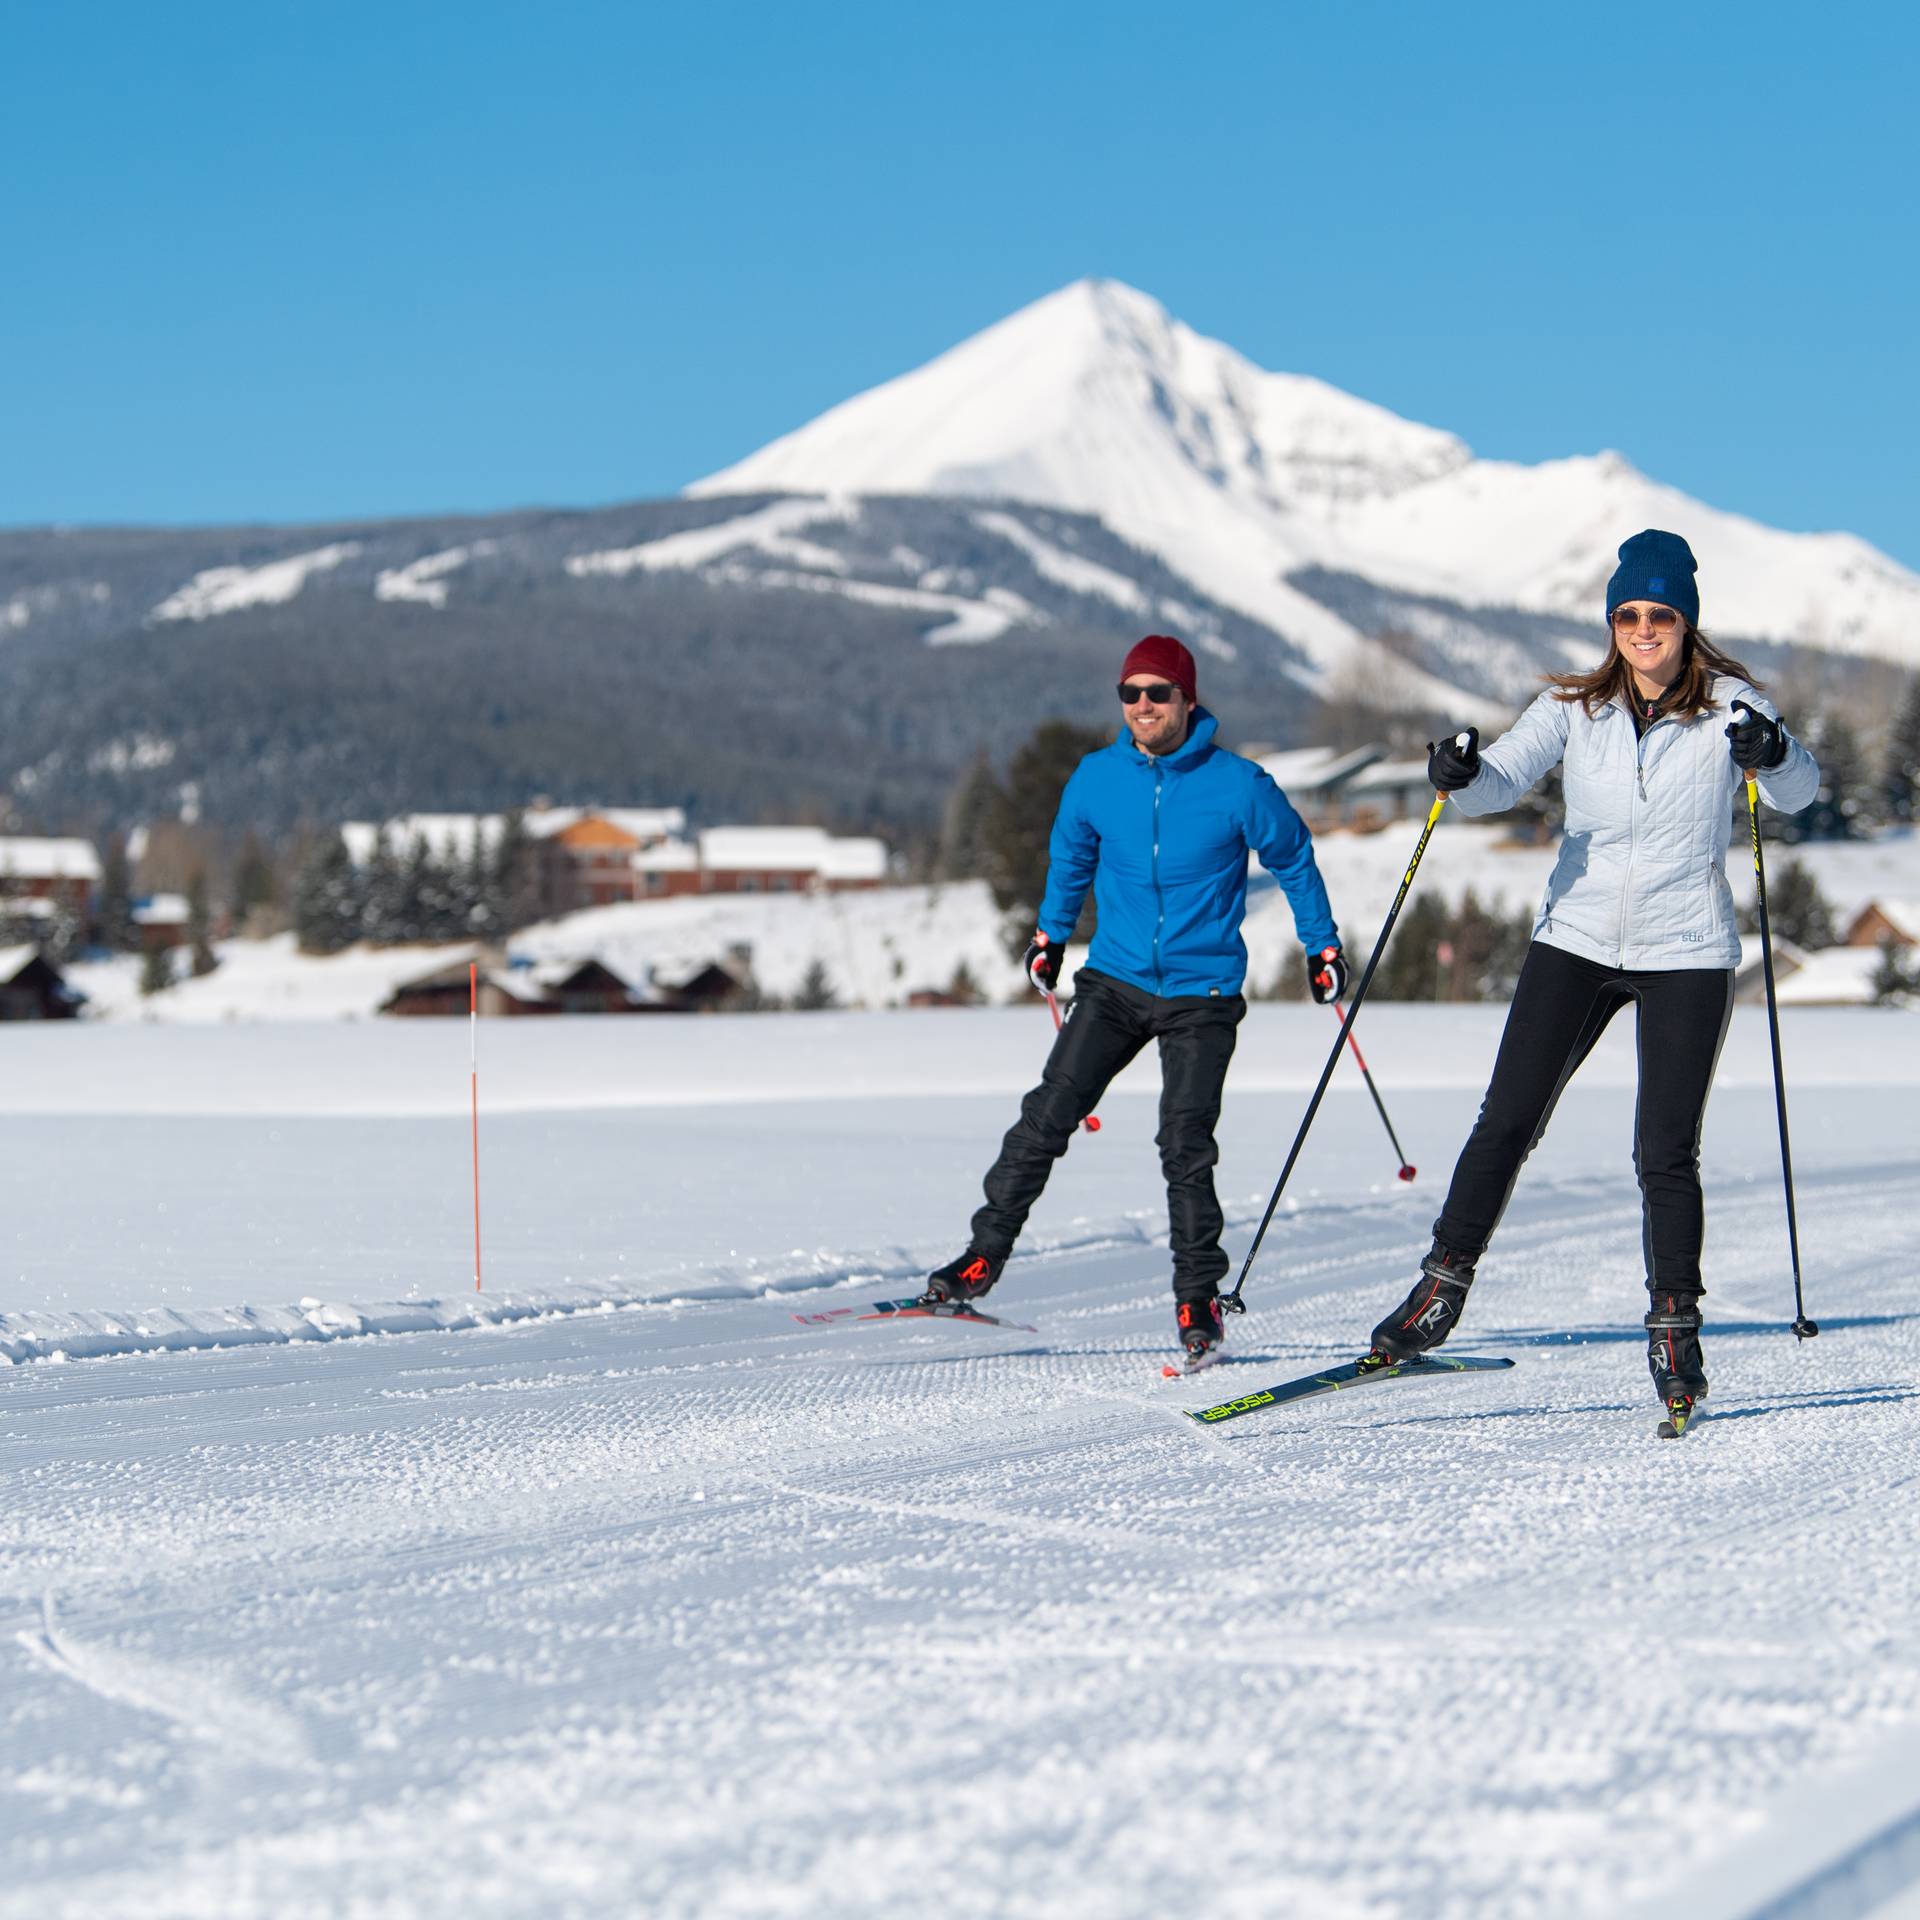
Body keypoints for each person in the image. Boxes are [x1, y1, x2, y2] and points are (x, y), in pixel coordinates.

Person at [1360, 529, 1819, 1430]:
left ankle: (1674, 1328)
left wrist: (1772, 754)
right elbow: (1499, 781)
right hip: (1574, 939)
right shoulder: (1574, 709)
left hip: (1685, 947)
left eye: (1660, 614)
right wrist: (1457, 774)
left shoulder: (1733, 708)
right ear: (1611, 621)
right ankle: (1439, 1290)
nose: (1642, 629)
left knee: (1664, 1150)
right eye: (1627, 614)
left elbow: (1800, 790)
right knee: (1508, 1118)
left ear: (1686, 621)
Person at [924, 634, 1345, 1365]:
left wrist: (1323, 945)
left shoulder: (1240, 783)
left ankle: (1197, 1301)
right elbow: (1071, 859)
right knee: (1045, 1117)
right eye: (1132, 694)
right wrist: (1051, 934)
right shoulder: (1095, 778)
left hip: (1202, 992)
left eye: (1159, 693)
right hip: (1114, 982)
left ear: (1187, 699)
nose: (1143, 706)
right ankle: (979, 1262)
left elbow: (1295, 860)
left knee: (1184, 1145)